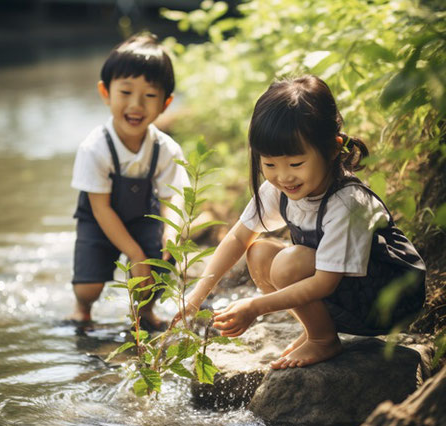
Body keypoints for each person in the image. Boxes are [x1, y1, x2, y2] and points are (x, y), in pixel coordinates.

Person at [184, 75, 426, 368]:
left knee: (289, 262)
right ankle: (318, 330)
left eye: (296, 164)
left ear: (333, 148)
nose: (284, 176)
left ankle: (323, 339)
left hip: (389, 301)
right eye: (270, 164)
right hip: (350, 292)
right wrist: (196, 296)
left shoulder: (348, 203)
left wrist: (254, 307)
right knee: (258, 253)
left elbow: (324, 283)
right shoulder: (278, 189)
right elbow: (238, 237)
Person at [70, 33, 189, 330]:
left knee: (159, 261)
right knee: (89, 288)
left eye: (149, 96)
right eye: (125, 92)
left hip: (143, 219)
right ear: (105, 92)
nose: (136, 105)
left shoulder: (165, 148)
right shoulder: (95, 148)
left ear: (165, 103)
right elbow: (100, 209)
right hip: (100, 219)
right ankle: (82, 309)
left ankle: (145, 312)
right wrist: (134, 254)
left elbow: (173, 196)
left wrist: (170, 235)